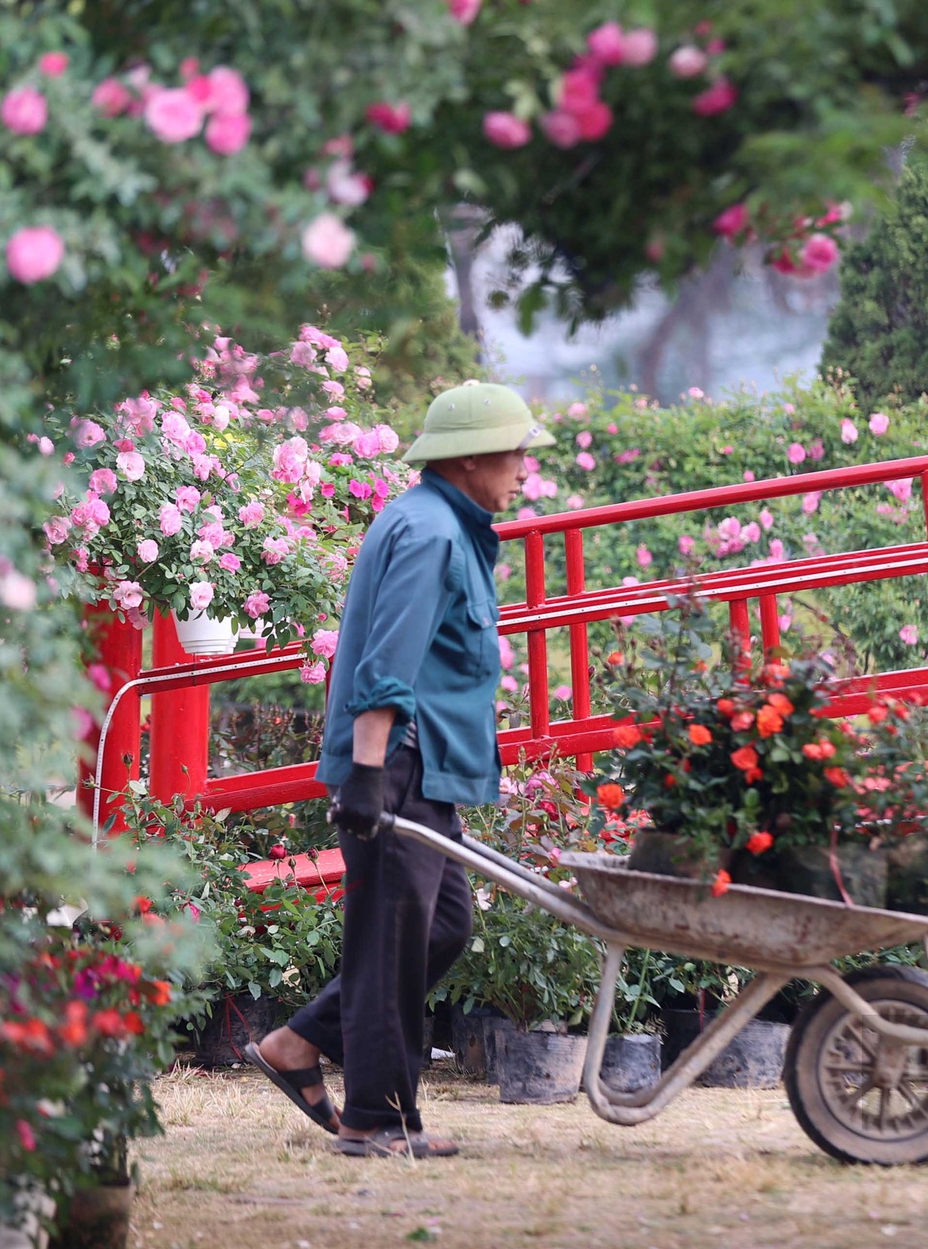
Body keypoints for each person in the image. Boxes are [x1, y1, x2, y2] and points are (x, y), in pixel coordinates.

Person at [243, 381, 551, 1158]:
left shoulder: (444, 522)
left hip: (427, 768)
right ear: (471, 456)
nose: (524, 466)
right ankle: (374, 1120)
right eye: (515, 451)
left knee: (441, 927)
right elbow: (387, 664)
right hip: (400, 767)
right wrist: (368, 774)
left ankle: (299, 1040)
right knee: (389, 943)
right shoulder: (429, 534)